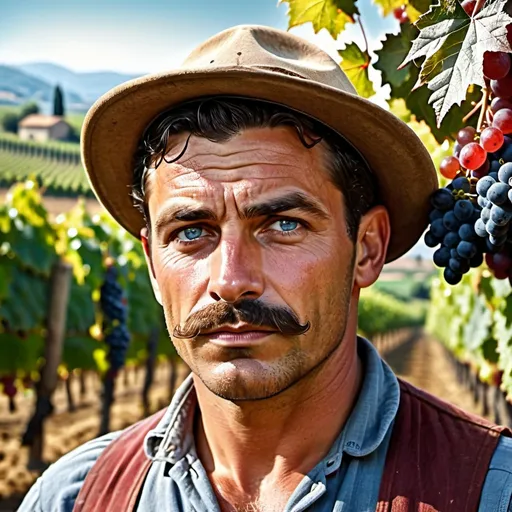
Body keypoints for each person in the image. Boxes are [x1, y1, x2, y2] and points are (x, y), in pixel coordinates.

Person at [19, 25, 512, 512]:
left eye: (283, 224)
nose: (231, 281)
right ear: (151, 261)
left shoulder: (496, 493)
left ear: (366, 249)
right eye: (191, 232)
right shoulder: (68, 498)